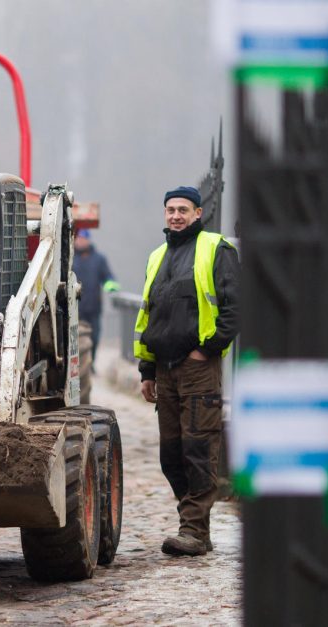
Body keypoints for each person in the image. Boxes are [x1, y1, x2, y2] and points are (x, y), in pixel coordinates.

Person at [134, 186, 239, 557]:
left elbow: (233, 307)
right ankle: (196, 523)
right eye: (170, 210)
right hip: (164, 369)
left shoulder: (216, 249)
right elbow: (149, 314)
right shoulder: (157, 256)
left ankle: (193, 529)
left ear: (198, 214)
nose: (175, 215)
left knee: (198, 449)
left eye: (183, 210)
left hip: (198, 369)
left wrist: (205, 350)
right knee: (171, 455)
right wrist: (147, 368)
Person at [72, 229, 120, 361]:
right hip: (75, 308)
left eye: (83, 239)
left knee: (95, 337)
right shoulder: (69, 259)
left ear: (88, 240)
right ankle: (79, 364)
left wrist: (111, 286)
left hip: (94, 308)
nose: (81, 241)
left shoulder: (99, 259)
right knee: (77, 339)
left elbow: (108, 277)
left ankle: (90, 363)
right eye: (79, 239)